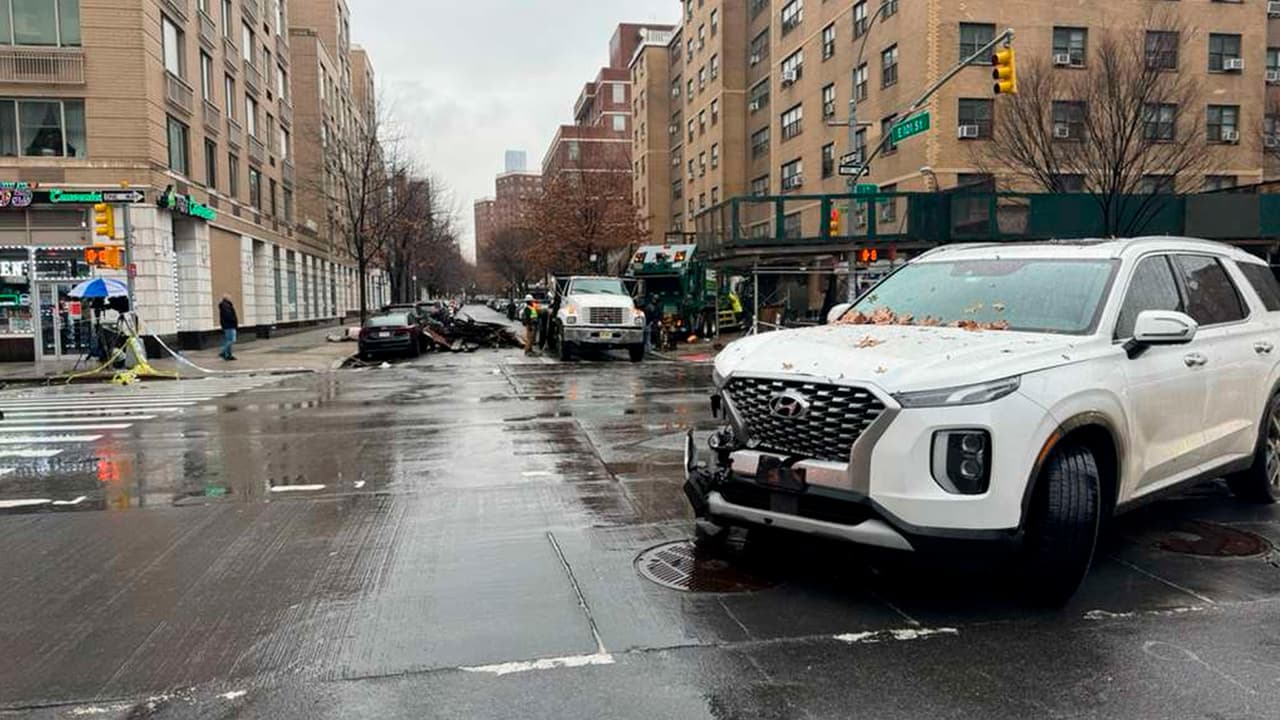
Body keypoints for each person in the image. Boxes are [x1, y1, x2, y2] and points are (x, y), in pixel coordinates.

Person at [218, 294, 238, 361]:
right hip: (229, 325)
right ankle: (223, 352)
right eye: (229, 297)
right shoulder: (225, 305)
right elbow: (228, 315)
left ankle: (228, 355)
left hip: (228, 325)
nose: (230, 298)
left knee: (229, 340)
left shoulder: (226, 305)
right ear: (226, 298)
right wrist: (233, 320)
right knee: (232, 340)